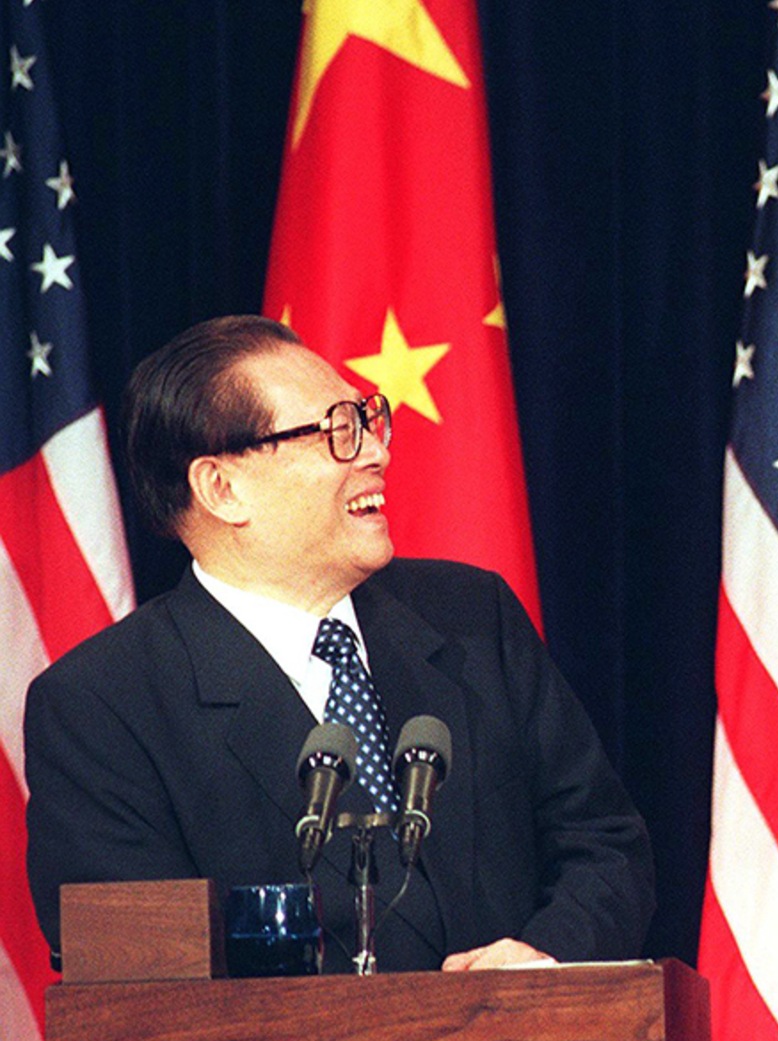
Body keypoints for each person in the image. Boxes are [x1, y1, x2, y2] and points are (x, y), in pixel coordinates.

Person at [25, 315, 653, 974]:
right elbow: (142, 984)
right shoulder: (103, 706)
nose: (376, 453)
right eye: (336, 433)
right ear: (222, 488)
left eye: (366, 420)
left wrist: (543, 960)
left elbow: (603, 843)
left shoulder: (472, 617)